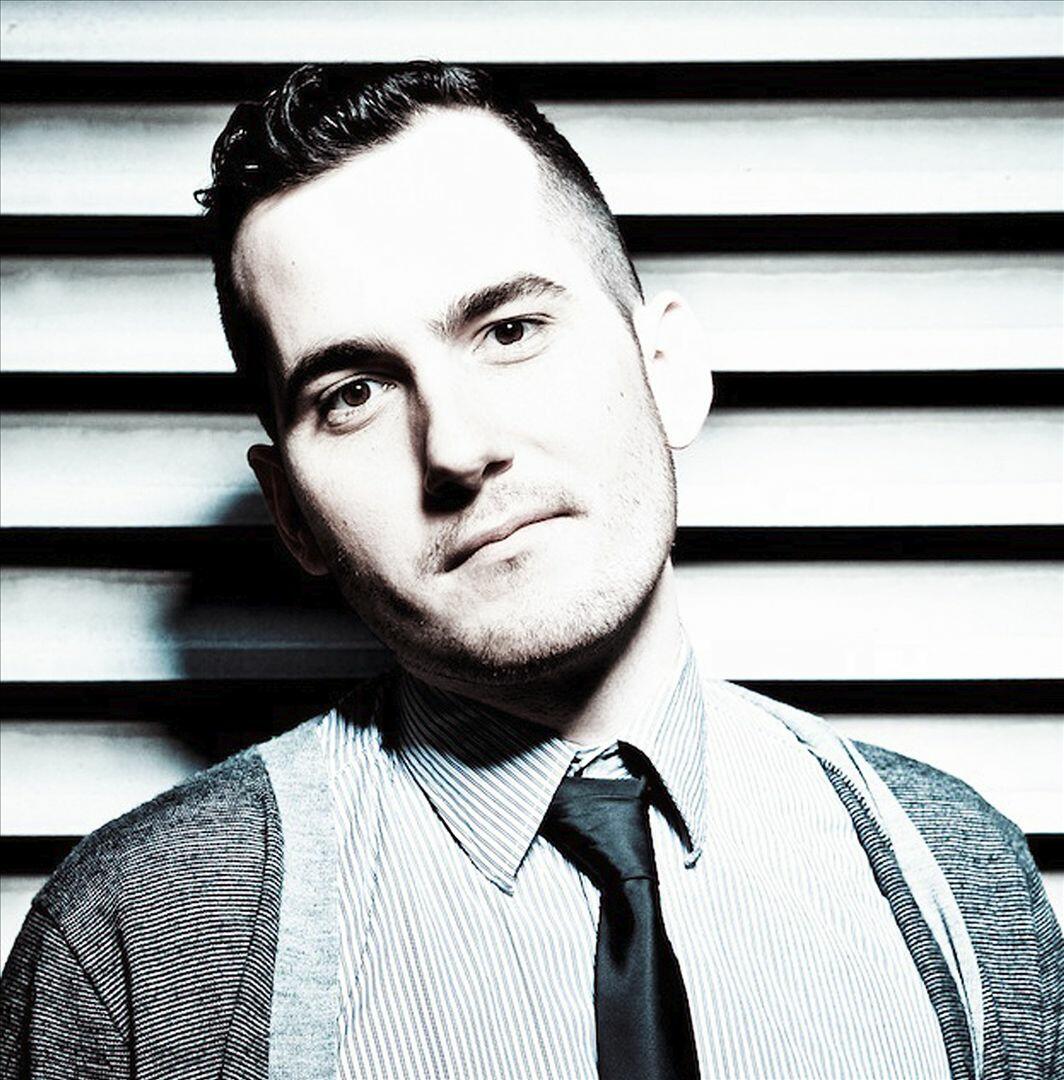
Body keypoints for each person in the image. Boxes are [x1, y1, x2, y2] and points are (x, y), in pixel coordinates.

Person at [1, 61, 1059, 1080]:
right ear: (292, 514)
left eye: (510, 330)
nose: (457, 449)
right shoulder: (133, 942)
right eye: (353, 394)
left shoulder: (953, 874)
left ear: (667, 370)